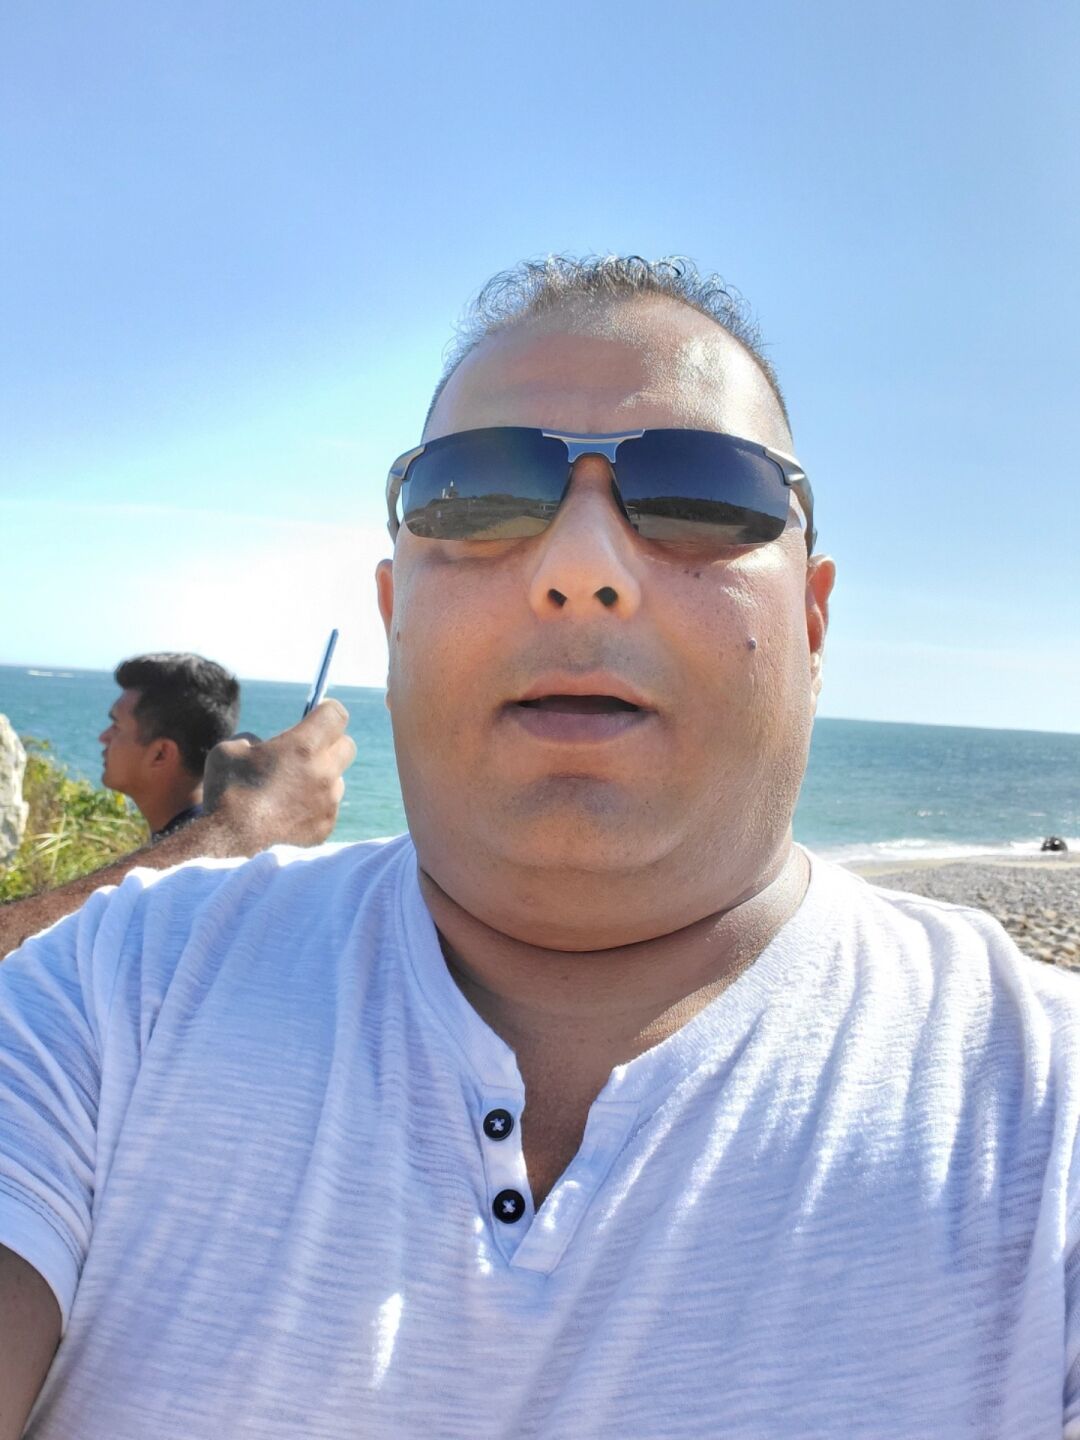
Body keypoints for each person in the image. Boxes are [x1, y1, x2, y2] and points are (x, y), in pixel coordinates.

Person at [0, 255, 1077, 1439]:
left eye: (703, 494)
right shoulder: (118, 994)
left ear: (813, 624)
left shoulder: (1044, 1108)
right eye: (478, 496)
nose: (580, 572)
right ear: (395, 616)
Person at [98, 653, 240, 840]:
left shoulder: (183, 851)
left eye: (116, 726)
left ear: (161, 754)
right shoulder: (218, 837)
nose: (103, 737)